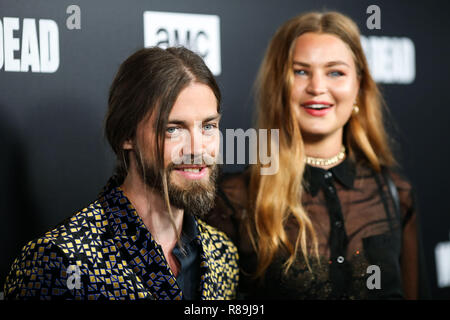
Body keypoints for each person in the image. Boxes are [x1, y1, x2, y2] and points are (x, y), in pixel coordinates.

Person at [207, 11, 428, 299]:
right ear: (279, 85)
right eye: (300, 71)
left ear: (359, 87)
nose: (317, 87)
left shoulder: (396, 194)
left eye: (335, 72)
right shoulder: (233, 201)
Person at [4, 47, 239, 300]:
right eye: (173, 129)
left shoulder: (222, 254)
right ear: (127, 135)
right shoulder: (59, 261)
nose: (197, 149)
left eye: (208, 126)